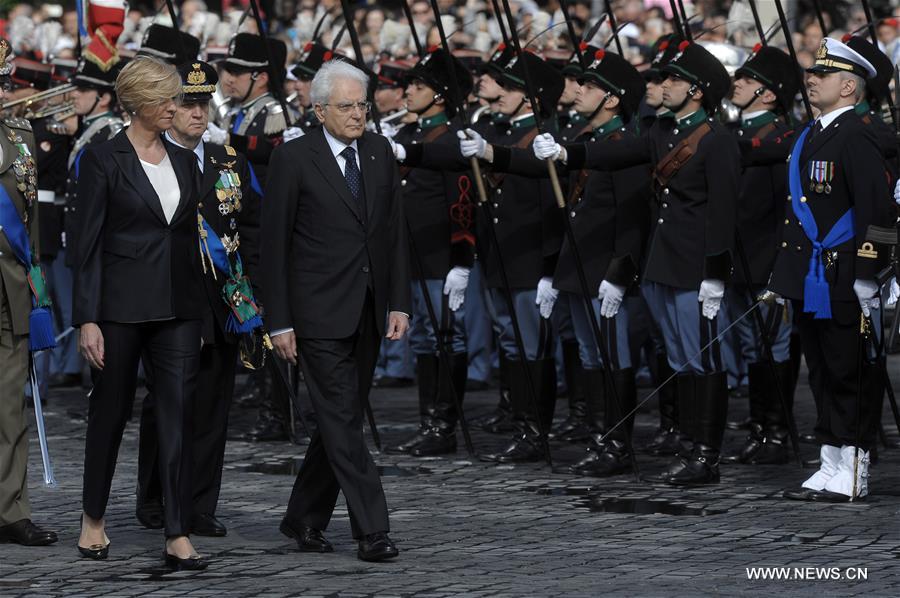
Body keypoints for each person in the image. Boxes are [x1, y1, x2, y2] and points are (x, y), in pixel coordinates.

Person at [534, 40, 740, 485]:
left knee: (701, 360)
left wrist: (716, 274)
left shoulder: (717, 140)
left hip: (693, 267)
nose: (663, 86)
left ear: (698, 91)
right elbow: (618, 154)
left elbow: (723, 211)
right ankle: (687, 447)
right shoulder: (661, 132)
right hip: (661, 264)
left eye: (674, 80)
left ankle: (705, 456)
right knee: (683, 359)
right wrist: (569, 154)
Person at [262, 59, 410, 562]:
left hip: (368, 309)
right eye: (345, 106)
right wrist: (278, 319)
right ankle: (372, 529)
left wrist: (400, 303)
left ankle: (303, 516)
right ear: (319, 109)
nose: (357, 115)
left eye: (362, 105)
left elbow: (394, 235)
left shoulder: (378, 152)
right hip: (315, 313)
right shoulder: (294, 157)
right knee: (345, 423)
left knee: (335, 418)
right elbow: (274, 245)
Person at [73, 56, 207, 570]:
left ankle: (177, 531)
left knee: (177, 417)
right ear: (140, 104)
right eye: (167, 99)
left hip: (178, 308)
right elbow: (85, 246)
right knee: (110, 412)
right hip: (119, 311)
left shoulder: (185, 160)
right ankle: (93, 520)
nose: (176, 107)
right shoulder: (104, 160)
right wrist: (87, 317)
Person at [135, 61, 262, 537]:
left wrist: (257, 295)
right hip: (168, 298)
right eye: (188, 103)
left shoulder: (229, 159)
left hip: (224, 300)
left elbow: (250, 229)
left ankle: (199, 503)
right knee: (166, 402)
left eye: (203, 102)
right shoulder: (149, 155)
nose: (196, 111)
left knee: (212, 403)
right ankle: (154, 495)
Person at [777, 39, 894, 502]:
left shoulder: (857, 133)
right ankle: (829, 460)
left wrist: (871, 270)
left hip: (844, 273)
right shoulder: (812, 134)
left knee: (849, 372)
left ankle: (854, 463)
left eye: (821, 75)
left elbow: (877, 208)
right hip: (812, 276)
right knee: (821, 371)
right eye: (811, 72)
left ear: (848, 86)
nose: (811, 79)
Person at [384, 48, 476, 457]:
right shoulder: (408, 133)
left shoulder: (454, 136)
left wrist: (462, 261)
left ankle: (444, 425)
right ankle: (428, 422)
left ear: (440, 95)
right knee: (424, 339)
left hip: (442, 255)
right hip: (413, 255)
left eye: (418, 86)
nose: (409, 91)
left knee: (445, 337)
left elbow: (462, 203)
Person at [722, 46, 799, 466]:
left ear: (768, 95)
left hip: (770, 258)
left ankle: (776, 431)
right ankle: (759, 428)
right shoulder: (736, 133)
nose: (737, 84)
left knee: (774, 346)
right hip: (739, 258)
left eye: (748, 81)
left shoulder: (784, 138)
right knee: (752, 347)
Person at [0, 36, 59, 548]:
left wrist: (36, 288)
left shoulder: (19, 135)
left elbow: (29, 222)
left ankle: (11, 510)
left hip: (11, 288)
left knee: (9, 405)